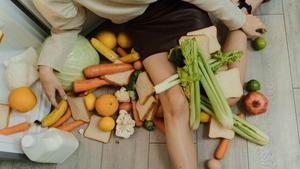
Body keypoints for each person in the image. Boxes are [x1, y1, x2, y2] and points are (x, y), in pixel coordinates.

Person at [33, 0, 267, 168]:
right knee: (174, 103)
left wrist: (238, 18)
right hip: (142, 24)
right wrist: (46, 66)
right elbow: (66, 25)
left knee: (230, 97)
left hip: (180, 6)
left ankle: (245, 6)